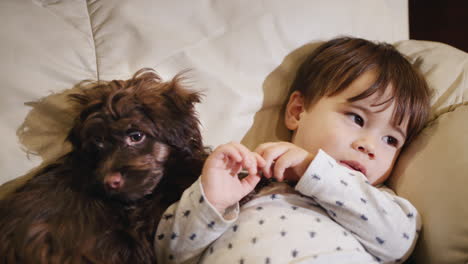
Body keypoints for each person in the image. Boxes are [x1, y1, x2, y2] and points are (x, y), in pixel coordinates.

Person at [155, 37, 431, 264]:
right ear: (298, 111)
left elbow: (399, 243)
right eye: (357, 118)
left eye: (391, 140)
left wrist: (316, 171)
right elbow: (169, 253)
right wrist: (211, 201)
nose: (369, 147)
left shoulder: (375, 202)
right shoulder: (246, 182)